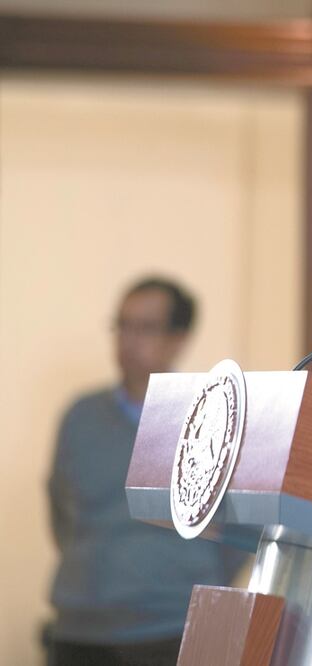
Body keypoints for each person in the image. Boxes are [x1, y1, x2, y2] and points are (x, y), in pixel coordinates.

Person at [47, 277, 244, 666]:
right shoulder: (80, 416)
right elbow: (60, 511)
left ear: (179, 338)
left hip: (173, 629)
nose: (128, 338)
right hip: (79, 630)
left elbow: (237, 526)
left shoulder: (213, 418)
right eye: (122, 324)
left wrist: (188, 586)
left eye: (145, 327)